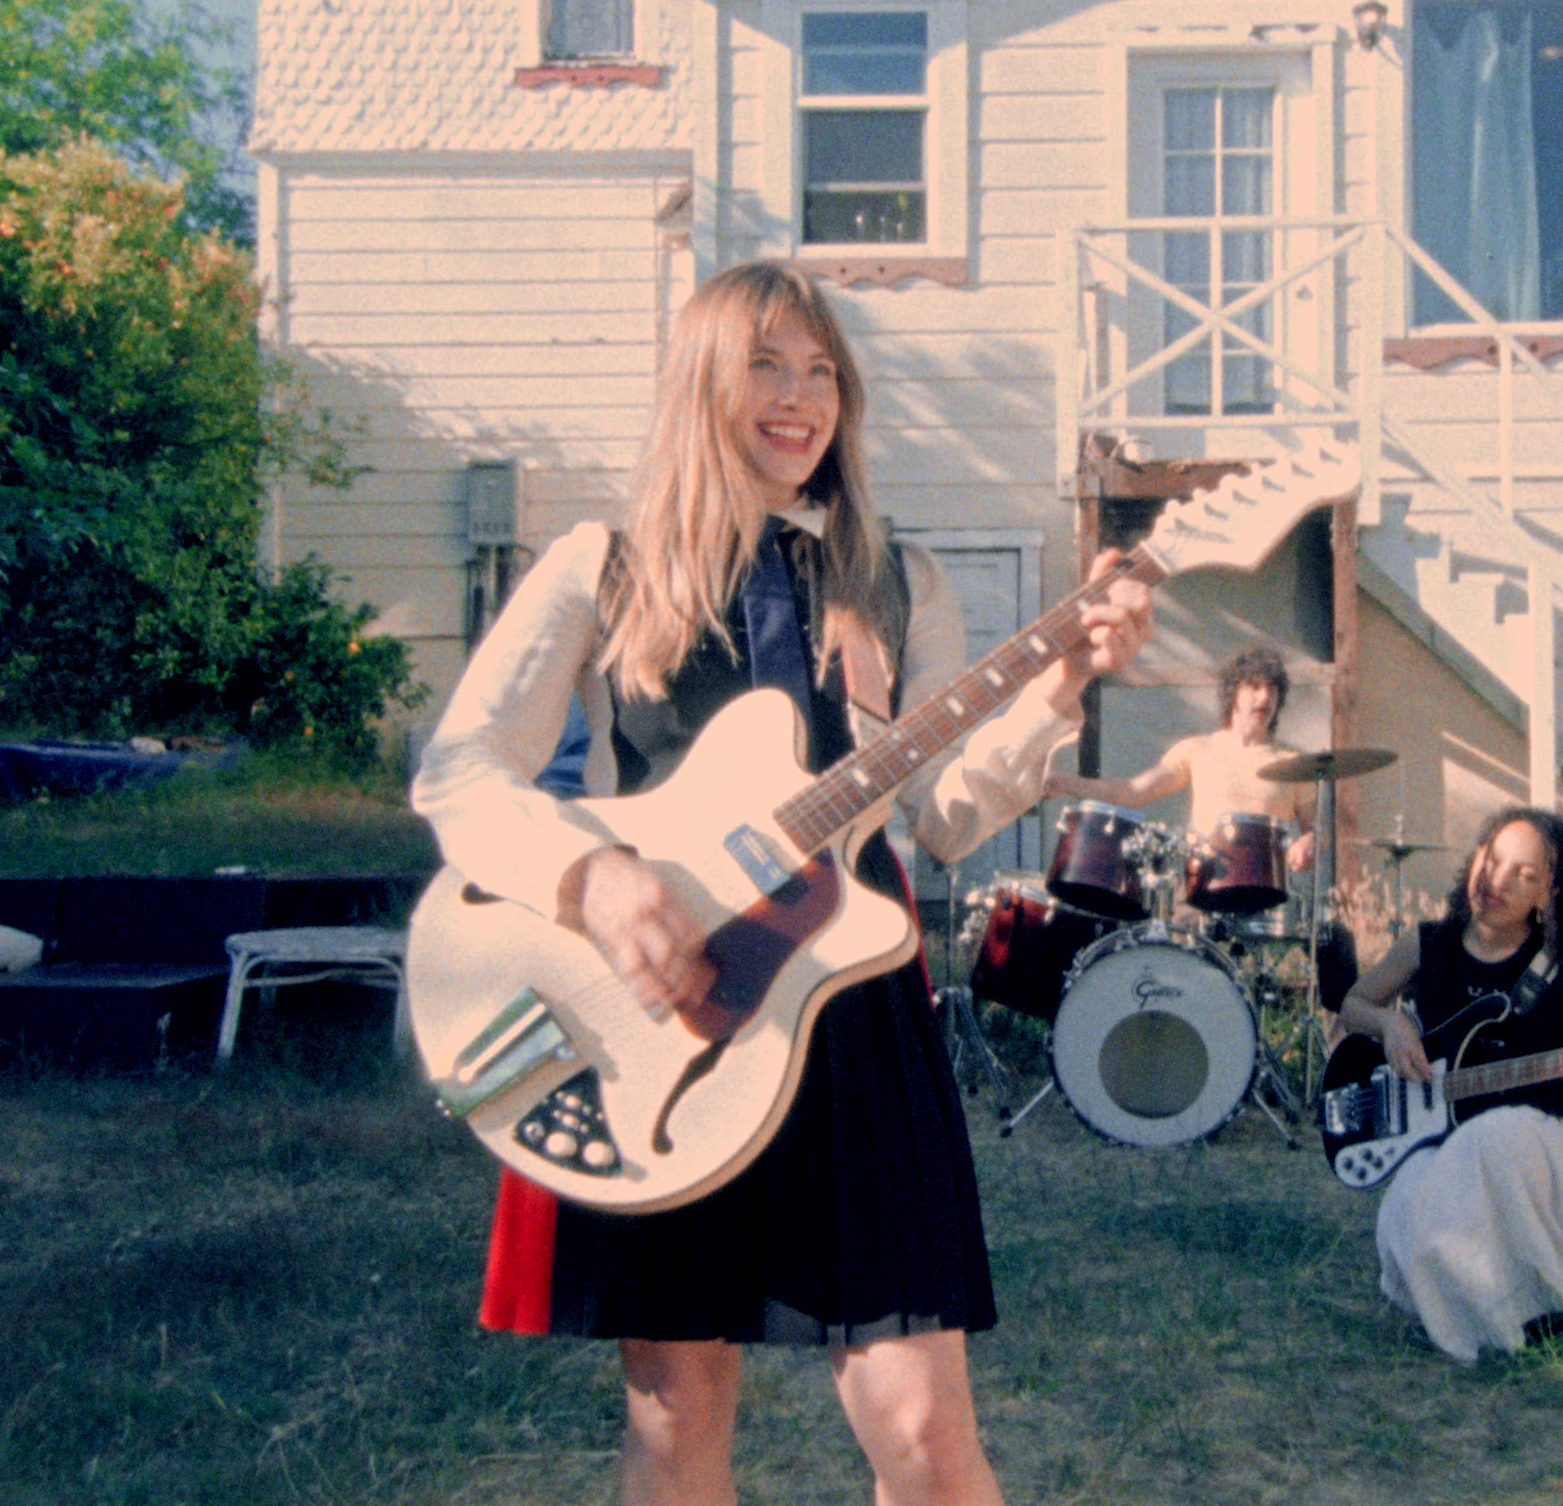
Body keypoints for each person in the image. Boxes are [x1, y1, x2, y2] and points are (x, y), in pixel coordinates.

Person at [411, 261, 1152, 1506]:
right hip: (666, 1010)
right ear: (703, 381)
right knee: (676, 1407)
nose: (799, 399)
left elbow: (950, 814)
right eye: (766, 364)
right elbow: (461, 771)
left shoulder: (900, 582)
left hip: (851, 1011)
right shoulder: (604, 564)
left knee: (921, 1422)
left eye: (822, 373)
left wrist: (1062, 690)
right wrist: (589, 874)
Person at [1332, 807, 1563, 1362]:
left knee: (1495, 1137)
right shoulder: (1427, 945)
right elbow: (1354, 1003)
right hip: (1456, 1142)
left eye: (1523, 874)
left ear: (1549, 894)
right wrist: (1391, 1023)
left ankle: (1538, 1318)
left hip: (1558, 1165)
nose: (1497, 880)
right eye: (1492, 858)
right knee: (1410, 1188)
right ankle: (1474, 1320)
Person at [1044, 645, 1317, 876]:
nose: (1265, 697)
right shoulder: (1197, 750)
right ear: (1233, 692)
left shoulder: (1293, 765)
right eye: (1254, 687)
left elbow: (1313, 831)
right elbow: (1131, 792)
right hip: (1202, 886)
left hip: (1267, 897)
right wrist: (1063, 781)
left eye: (1272, 688)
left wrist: (1308, 842)